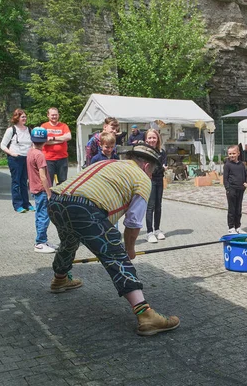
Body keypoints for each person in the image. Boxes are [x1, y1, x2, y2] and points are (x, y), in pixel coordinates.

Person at [47, 144, 180, 336]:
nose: (151, 174)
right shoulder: (142, 179)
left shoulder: (108, 163)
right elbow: (133, 222)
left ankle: (60, 279)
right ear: (146, 166)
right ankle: (146, 315)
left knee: (69, 241)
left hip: (57, 201)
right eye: (152, 170)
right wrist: (129, 250)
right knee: (115, 256)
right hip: (86, 209)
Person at [27, 127, 56, 254]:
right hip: (42, 189)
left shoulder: (30, 152)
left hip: (35, 188)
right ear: (45, 141)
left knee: (39, 215)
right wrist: (49, 192)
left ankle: (42, 240)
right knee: (44, 216)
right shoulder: (40, 155)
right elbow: (43, 176)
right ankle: (40, 242)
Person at [0, 109, 34, 213]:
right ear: (17, 118)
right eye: (22, 117)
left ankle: (26, 204)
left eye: (25, 117)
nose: (25, 118)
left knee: (24, 182)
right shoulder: (11, 130)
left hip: (26, 158)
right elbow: (2, 145)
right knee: (16, 182)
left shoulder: (29, 130)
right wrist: (12, 153)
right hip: (15, 159)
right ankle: (18, 205)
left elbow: (32, 144)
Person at [144, 129, 168, 243]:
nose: (152, 140)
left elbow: (163, 165)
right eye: (149, 138)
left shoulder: (162, 152)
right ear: (146, 139)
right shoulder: (144, 152)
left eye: (154, 137)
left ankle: (157, 229)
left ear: (158, 138)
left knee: (158, 206)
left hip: (159, 180)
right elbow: (147, 168)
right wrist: (159, 167)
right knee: (150, 206)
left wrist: (161, 167)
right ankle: (149, 232)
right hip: (149, 180)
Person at [41, 107, 71, 185]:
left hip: (62, 158)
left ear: (58, 115)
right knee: (48, 181)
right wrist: (61, 140)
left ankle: (60, 197)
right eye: (52, 115)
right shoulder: (44, 126)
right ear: (48, 115)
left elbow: (68, 137)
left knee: (62, 181)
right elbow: (43, 141)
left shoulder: (63, 126)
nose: (54, 117)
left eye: (56, 115)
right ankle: (49, 196)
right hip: (48, 159)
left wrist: (53, 138)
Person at [224, 145, 247, 234]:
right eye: (230, 154)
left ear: (238, 153)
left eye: (233, 153)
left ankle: (238, 226)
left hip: (240, 189)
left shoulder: (241, 164)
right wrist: (228, 188)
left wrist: (246, 183)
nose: (231, 155)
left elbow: (245, 175)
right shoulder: (227, 165)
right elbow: (225, 178)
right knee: (232, 209)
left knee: (238, 209)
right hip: (231, 190)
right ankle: (231, 227)